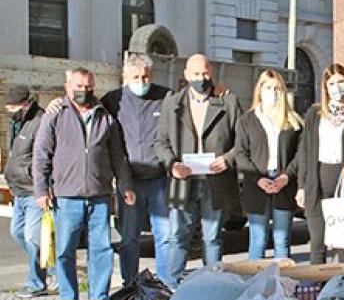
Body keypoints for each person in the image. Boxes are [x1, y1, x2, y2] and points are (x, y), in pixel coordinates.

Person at [33, 68, 135, 300]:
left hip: (99, 195)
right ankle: (69, 299)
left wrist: (125, 184)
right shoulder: (55, 114)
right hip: (67, 196)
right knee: (65, 251)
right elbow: (41, 154)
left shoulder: (105, 116)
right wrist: (40, 190)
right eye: (78, 86)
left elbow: (118, 156)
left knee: (101, 250)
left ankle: (99, 297)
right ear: (67, 87)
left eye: (88, 86)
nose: (84, 90)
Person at [154, 54, 243, 284]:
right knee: (177, 236)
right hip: (183, 182)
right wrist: (172, 164)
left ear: (211, 72)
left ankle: (213, 285)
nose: (200, 79)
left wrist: (228, 159)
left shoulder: (228, 101)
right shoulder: (172, 103)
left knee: (212, 238)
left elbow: (242, 142)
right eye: (195, 74)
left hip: (216, 181)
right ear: (186, 75)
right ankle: (170, 287)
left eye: (204, 74)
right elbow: (160, 142)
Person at [100, 54, 174, 286]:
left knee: (164, 236)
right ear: (125, 76)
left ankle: (164, 282)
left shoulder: (166, 97)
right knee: (129, 238)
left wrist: (219, 91)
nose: (141, 81)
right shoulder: (113, 100)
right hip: (129, 181)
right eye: (136, 77)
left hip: (159, 180)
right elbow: (83, 108)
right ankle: (129, 283)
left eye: (145, 76)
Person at [294, 63, 344, 266]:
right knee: (318, 241)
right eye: (332, 83)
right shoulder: (315, 114)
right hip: (317, 179)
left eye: (341, 82)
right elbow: (305, 151)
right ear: (325, 87)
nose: (337, 87)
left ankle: (343, 285)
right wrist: (301, 185)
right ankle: (318, 288)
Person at [232, 69, 303, 260]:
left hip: (283, 184)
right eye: (269, 88)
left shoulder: (293, 120)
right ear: (260, 90)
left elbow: (300, 154)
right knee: (258, 239)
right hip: (257, 184)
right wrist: (258, 179)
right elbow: (240, 153)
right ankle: (256, 284)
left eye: (278, 88)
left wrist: (286, 176)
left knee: (282, 240)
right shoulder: (247, 120)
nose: (274, 92)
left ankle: (282, 284)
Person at [2, 85, 50, 297]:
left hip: (33, 189)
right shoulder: (17, 122)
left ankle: (36, 284)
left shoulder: (39, 122)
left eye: (13, 107)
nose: (10, 111)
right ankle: (53, 269)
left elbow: (44, 156)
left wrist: (44, 187)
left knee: (32, 237)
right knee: (18, 232)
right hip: (19, 189)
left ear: (25, 104)